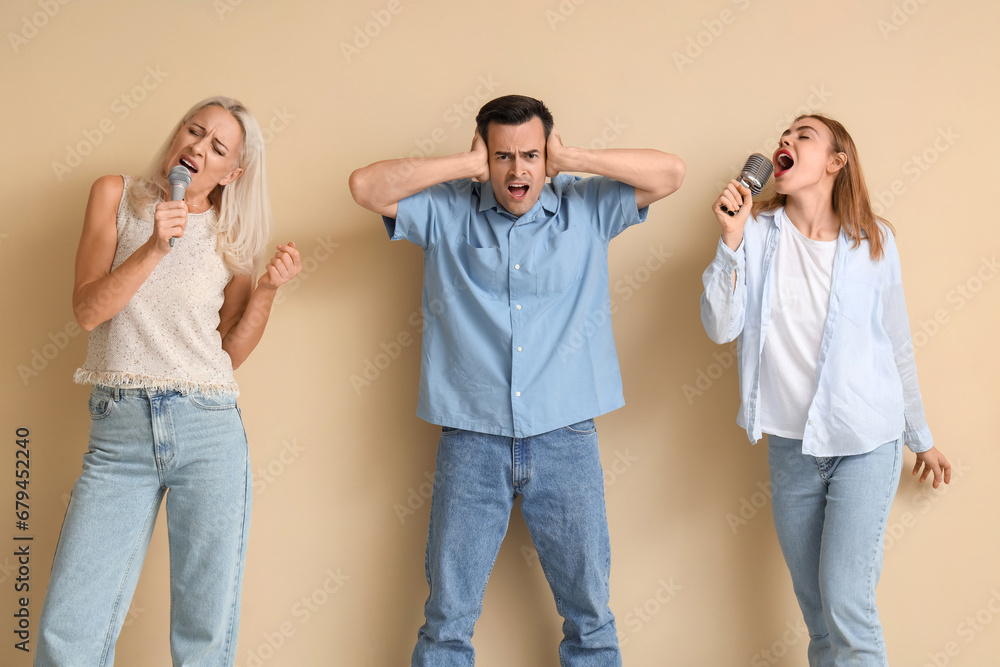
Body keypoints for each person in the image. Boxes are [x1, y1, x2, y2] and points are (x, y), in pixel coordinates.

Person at [349, 94, 684, 666]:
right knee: (447, 621)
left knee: (590, 617)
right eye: (503, 156)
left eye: (531, 154)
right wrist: (463, 166)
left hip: (566, 436)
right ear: (484, 155)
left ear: (547, 154)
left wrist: (572, 156)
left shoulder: (586, 208)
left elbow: (671, 173)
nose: (518, 170)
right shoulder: (448, 210)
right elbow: (365, 188)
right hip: (470, 438)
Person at [36, 96, 302, 666]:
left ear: (232, 173)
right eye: (194, 131)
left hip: (208, 431)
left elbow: (227, 349)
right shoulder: (117, 196)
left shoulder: (233, 237)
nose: (196, 149)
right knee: (69, 629)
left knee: (203, 633)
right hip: (119, 433)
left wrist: (269, 293)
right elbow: (87, 311)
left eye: (216, 148)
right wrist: (156, 247)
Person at [700, 114, 950, 666]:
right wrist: (731, 241)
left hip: (865, 441)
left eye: (803, 136)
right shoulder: (757, 235)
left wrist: (920, 436)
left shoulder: (874, 241)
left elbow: (898, 344)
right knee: (817, 615)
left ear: (837, 162)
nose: (785, 141)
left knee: (847, 605)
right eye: (782, 136)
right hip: (792, 447)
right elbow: (721, 326)